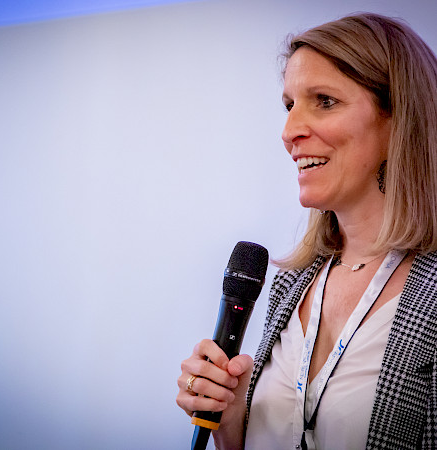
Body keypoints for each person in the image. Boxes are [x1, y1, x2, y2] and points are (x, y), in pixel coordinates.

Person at [176, 12, 437, 449]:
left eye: (325, 101)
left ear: (397, 118)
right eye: (289, 106)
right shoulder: (290, 285)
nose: (289, 131)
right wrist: (232, 423)